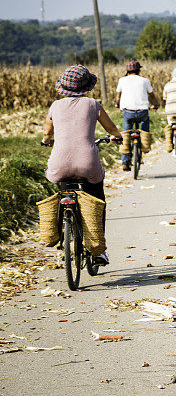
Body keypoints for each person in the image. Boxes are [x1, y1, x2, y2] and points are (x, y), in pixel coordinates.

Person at [42, 65, 123, 266]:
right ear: (86, 87)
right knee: (97, 199)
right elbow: (111, 128)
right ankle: (98, 250)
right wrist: (117, 137)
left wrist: (47, 141)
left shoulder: (55, 106)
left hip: (59, 165)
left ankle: (64, 222)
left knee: (64, 185)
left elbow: (46, 133)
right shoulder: (93, 104)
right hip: (88, 164)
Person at [115, 60, 159, 171]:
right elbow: (152, 95)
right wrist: (156, 104)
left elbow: (118, 96)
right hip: (142, 112)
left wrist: (117, 104)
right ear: (139, 70)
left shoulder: (122, 80)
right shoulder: (144, 80)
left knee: (125, 135)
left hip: (128, 112)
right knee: (144, 129)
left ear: (127, 71)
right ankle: (144, 144)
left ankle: (125, 162)